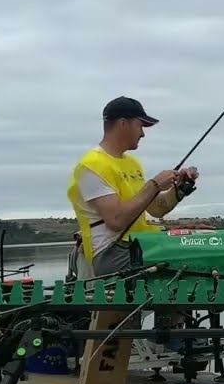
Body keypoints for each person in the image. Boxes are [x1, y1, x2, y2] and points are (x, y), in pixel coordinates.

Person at [66, 96, 199, 276]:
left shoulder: (132, 164)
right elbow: (116, 221)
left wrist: (181, 187)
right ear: (123, 123)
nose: (143, 134)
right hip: (112, 253)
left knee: (201, 241)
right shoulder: (91, 166)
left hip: (140, 244)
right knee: (195, 254)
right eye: (140, 126)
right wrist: (154, 185)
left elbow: (156, 209)